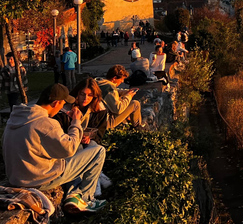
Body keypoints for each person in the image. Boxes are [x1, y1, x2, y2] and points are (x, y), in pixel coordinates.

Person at [2, 83, 107, 214]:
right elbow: (70, 149)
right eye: (63, 104)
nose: (63, 107)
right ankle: (87, 199)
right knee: (98, 151)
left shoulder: (18, 117)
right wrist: (76, 122)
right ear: (56, 103)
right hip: (39, 180)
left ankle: (74, 194)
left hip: (16, 177)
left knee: (80, 148)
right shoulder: (46, 123)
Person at [55, 78, 109, 145]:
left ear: (94, 96)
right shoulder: (64, 110)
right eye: (82, 94)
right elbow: (59, 133)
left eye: (90, 95)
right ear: (77, 94)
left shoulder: (100, 110)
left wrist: (89, 138)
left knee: (96, 146)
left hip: (89, 143)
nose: (86, 98)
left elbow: (100, 133)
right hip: (68, 143)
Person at [96, 65, 144, 129]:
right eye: (121, 79)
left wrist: (126, 92)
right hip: (106, 122)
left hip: (97, 119)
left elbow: (113, 92)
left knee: (123, 101)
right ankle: (138, 128)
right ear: (114, 78)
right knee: (135, 104)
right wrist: (129, 96)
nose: (122, 81)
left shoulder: (100, 83)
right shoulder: (110, 90)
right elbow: (118, 109)